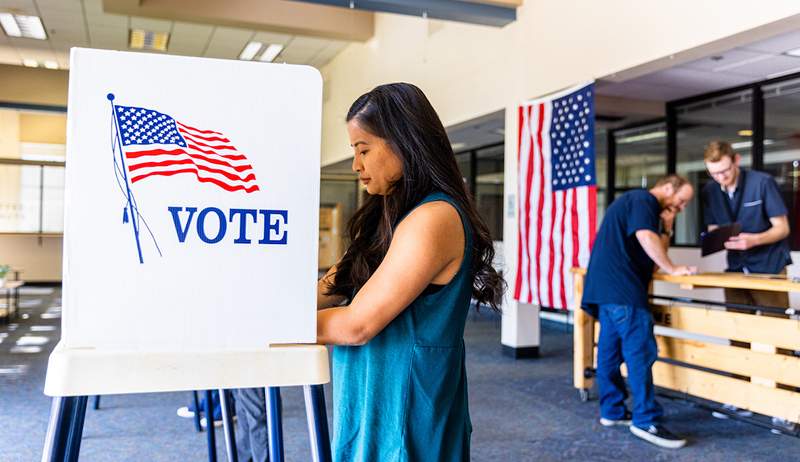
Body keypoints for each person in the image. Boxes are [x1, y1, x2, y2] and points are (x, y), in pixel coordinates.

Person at [315, 83, 505, 461]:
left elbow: (357, 325)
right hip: (371, 400)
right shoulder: (385, 217)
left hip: (406, 412)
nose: (356, 165)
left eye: (363, 149)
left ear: (404, 142)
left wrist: (265, 324)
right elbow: (330, 288)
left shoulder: (434, 218)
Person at [582, 175, 696, 449]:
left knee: (609, 351)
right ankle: (646, 420)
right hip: (623, 291)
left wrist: (667, 229)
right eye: (681, 202)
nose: (680, 208)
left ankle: (613, 411)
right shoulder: (644, 199)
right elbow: (646, 237)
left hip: (604, 291)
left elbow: (651, 257)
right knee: (640, 352)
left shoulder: (636, 205)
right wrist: (673, 268)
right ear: (669, 187)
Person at [701, 140, 794, 432]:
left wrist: (753, 239)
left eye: (725, 171)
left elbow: (782, 228)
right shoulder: (710, 190)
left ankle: (784, 405)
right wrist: (719, 237)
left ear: (736, 160)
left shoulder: (762, 183)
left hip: (768, 266)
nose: (721, 178)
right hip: (735, 268)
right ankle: (740, 397)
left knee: (775, 334)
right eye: (714, 174)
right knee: (737, 333)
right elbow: (715, 227)